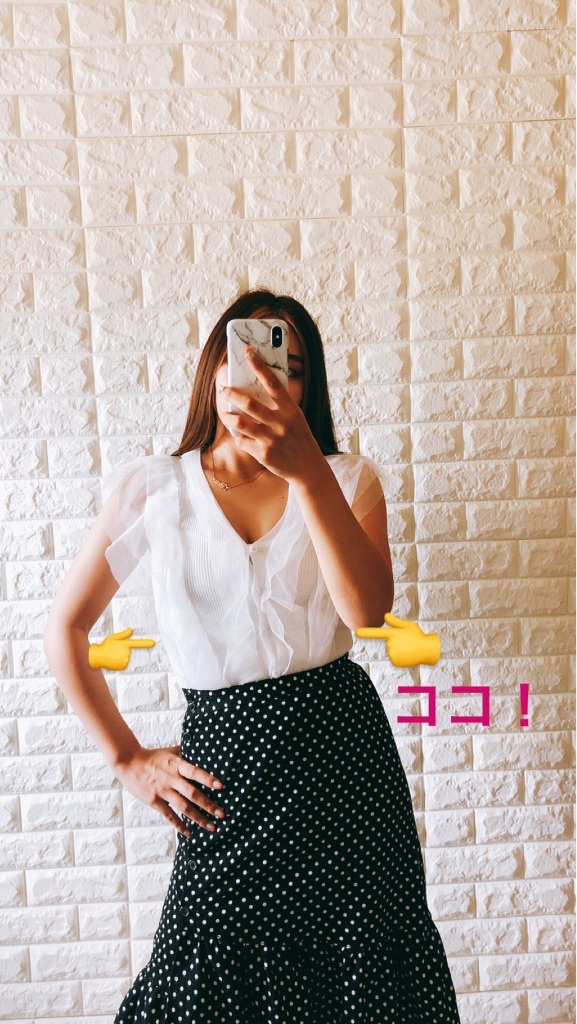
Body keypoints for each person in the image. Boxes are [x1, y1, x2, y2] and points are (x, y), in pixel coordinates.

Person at [44, 289, 461, 1024]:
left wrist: (307, 473)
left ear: (309, 389)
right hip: (224, 772)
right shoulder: (155, 489)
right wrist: (126, 758)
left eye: (293, 368)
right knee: (201, 971)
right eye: (254, 357)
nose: (273, 378)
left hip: (341, 766)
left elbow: (368, 615)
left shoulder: (346, 478)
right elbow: (67, 627)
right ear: (216, 370)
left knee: (365, 972)